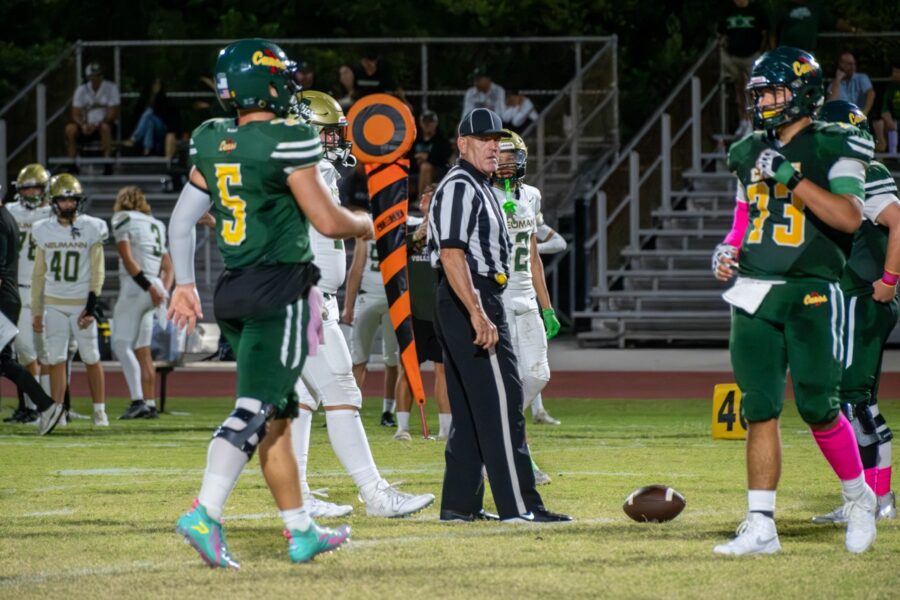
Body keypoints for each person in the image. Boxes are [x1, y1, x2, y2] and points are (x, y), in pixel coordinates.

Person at [168, 39, 371, 568]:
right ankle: (205, 512)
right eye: (284, 75)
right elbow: (329, 222)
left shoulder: (213, 138)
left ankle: (300, 529)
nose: (291, 83)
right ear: (266, 82)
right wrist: (366, 223)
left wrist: (183, 284)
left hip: (233, 290)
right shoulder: (287, 137)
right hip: (280, 289)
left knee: (279, 413)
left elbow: (183, 220)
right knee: (257, 409)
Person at [711, 47, 876, 556]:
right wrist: (729, 247)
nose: (762, 101)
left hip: (811, 288)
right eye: (758, 92)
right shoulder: (746, 151)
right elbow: (745, 213)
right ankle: (761, 524)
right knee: (759, 408)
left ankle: (859, 497)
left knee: (819, 407)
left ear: (803, 91)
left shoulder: (834, 143)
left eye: (773, 91)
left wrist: (791, 176)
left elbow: (849, 217)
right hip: (755, 292)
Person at [287, 90, 434, 519]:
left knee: (300, 400)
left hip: (313, 297)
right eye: (329, 132)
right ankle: (375, 493)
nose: (337, 141)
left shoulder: (319, 172)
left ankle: (299, 496)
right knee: (341, 392)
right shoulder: (297, 171)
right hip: (303, 297)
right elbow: (330, 225)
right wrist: (374, 223)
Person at [427, 107, 570, 523]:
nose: (494, 146)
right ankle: (520, 505)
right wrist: (477, 311)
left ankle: (459, 506)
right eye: (484, 139)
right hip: (471, 296)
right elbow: (452, 253)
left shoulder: (481, 184)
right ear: (463, 143)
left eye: (497, 140)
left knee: (474, 410)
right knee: (504, 404)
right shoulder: (461, 185)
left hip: (476, 295)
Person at [810, 101, 896, 523]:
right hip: (850, 298)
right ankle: (873, 500)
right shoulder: (835, 178)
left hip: (862, 298)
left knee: (853, 402)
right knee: (857, 401)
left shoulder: (866, 172)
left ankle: (875, 502)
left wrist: (890, 280)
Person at [492, 129, 561, 485]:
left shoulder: (531, 196)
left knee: (538, 374)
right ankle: (520, 457)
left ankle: (494, 429)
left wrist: (547, 306)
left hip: (527, 298)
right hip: (496, 297)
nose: (505, 163)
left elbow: (533, 254)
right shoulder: (481, 194)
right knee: (506, 379)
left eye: (510, 157)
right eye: (499, 156)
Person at [31, 174, 109, 426]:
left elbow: (98, 271)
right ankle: (57, 411)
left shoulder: (92, 227)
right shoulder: (42, 229)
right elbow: (39, 274)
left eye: (71, 199)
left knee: (91, 356)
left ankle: (99, 411)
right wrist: (37, 309)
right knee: (55, 359)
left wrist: (91, 306)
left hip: (80, 305)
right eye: (63, 200)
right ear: (54, 202)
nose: (67, 204)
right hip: (54, 304)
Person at [0, 183, 62, 435]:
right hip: (9, 296)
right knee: (4, 361)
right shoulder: (7, 217)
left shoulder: (2, 221)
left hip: (3, 297)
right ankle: (47, 406)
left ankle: (48, 406)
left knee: (5, 360)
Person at [393, 185, 452, 441]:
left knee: (443, 371)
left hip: (440, 311)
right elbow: (395, 255)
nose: (428, 199)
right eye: (425, 195)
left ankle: (445, 430)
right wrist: (418, 235)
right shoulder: (409, 228)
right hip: (413, 311)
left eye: (434, 195)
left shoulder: (449, 227)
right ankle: (402, 428)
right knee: (407, 368)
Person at [111, 186, 173, 420]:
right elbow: (169, 267)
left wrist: (148, 287)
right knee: (142, 350)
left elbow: (128, 259)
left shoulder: (122, 218)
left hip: (137, 286)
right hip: (155, 285)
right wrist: (161, 291)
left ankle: (138, 401)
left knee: (121, 345)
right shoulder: (156, 223)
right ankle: (150, 404)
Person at [344, 234, 400, 427]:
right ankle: (359, 409)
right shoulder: (400, 222)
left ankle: (364, 410)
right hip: (387, 298)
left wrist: (348, 306)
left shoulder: (368, 224)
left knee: (370, 360)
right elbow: (357, 268)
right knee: (366, 359)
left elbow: (357, 269)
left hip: (377, 298)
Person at [718, 0, 769, 136]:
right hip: (733, 56)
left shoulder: (756, 11)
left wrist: (761, 51)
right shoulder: (728, 10)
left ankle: (753, 121)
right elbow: (722, 33)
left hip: (751, 56)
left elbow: (764, 33)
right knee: (738, 90)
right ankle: (743, 121)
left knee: (752, 89)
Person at [64, 63, 121, 162]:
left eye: (99, 75)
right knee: (70, 129)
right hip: (85, 124)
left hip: (104, 123)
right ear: (88, 77)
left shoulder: (111, 88)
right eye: (94, 76)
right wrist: (83, 125)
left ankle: (107, 161)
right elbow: (75, 113)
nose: (97, 78)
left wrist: (97, 124)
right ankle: (72, 162)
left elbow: (113, 112)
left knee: (105, 128)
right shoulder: (81, 90)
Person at [125, 78, 179, 158]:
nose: (156, 87)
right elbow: (136, 117)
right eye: (154, 84)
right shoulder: (144, 99)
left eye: (158, 85)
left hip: (162, 127)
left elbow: (167, 117)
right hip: (149, 126)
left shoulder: (163, 99)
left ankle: (134, 138)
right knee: (150, 122)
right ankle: (147, 149)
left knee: (149, 112)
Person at [410, 110, 452, 200]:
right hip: (416, 170)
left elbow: (443, 157)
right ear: (421, 123)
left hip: (438, 170)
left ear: (436, 123)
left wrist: (427, 157)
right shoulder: (415, 139)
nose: (428, 124)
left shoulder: (441, 139)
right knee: (424, 167)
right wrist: (421, 158)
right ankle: (421, 199)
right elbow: (409, 157)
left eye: (431, 122)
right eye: (425, 122)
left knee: (426, 166)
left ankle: (422, 199)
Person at [875, 60, 900, 154]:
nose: (896, 74)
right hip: (894, 119)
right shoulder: (888, 87)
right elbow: (884, 108)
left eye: (898, 72)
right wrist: (889, 120)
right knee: (884, 124)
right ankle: (892, 155)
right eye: (894, 72)